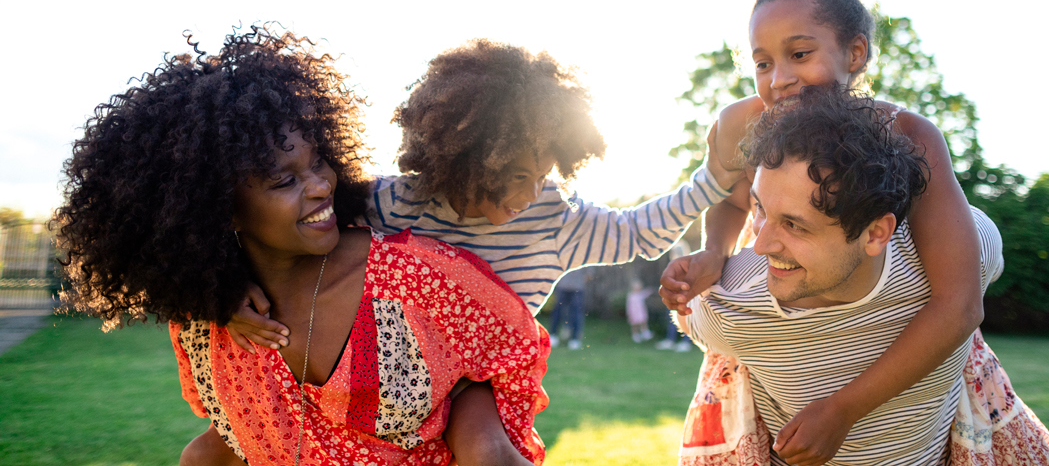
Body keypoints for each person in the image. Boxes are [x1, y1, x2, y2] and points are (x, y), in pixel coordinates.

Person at [54, 27, 549, 466]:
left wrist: (478, 430)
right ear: (214, 207)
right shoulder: (205, 321)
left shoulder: (416, 278)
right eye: (282, 180)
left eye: (318, 163)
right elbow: (233, 435)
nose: (319, 186)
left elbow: (512, 350)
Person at [660, 0, 988, 463]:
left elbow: (958, 302)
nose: (779, 79)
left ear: (855, 54)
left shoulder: (905, 135)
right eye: (762, 62)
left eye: (799, 55)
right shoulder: (739, 126)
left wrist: (841, 409)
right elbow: (730, 200)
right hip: (783, 310)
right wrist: (714, 252)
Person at [229, 39, 737, 349]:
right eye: (515, 175)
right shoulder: (390, 204)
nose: (530, 193)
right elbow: (285, 233)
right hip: (392, 404)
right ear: (461, 159)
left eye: (542, 175)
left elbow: (638, 233)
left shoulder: (552, 219)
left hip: (486, 404)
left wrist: (711, 178)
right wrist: (223, 288)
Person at [679, 86, 1049, 466]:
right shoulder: (731, 303)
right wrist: (705, 261)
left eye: (795, 226)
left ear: (876, 233)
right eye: (760, 209)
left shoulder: (958, 258)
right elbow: (687, 314)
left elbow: (963, 297)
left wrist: (843, 410)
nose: (761, 244)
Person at [547, 268, 588, 349]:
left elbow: (588, 274)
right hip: (562, 286)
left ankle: (575, 338)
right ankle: (553, 335)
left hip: (577, 288)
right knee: (557, 311)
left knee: (576, 313)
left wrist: (579, 282)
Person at [626, 277, 654, 343]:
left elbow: (646, 294)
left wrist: (650, 291)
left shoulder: (640, 294)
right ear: (632, 287)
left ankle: (645, 333)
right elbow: (628, 305)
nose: (637, 288)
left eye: (639, 286)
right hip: (634, 313)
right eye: (636, 286)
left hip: (641, 312)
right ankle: (635, 335)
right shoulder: (631, 296)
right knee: (635, 324)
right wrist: (629, 313)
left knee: (643, 322)